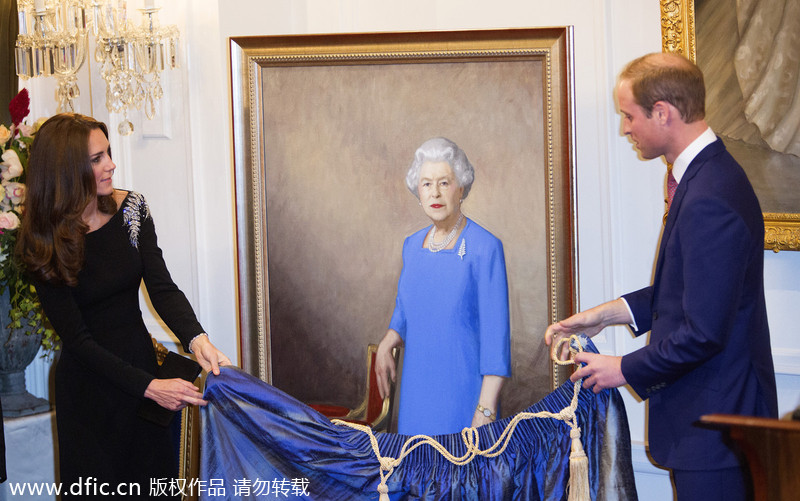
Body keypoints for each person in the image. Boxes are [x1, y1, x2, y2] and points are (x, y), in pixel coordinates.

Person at [544, 53, 778, 500]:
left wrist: (621, 369)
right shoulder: (707, 177)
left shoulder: (710, 194)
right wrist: (607, 315)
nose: (625, 129)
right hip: (711, 429)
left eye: (629, 116)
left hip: (717, 435)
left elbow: (704, 332)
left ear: (663, 113)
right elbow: (689, 290)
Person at [16, 113, 230, 498]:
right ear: (68, 170)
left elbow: (162, 288)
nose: (111, 164)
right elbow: (78, 341)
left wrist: (198, 340)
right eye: (97, 158)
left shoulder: (132, 209)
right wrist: (149, 387)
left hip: (144, 372)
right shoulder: (42, 241)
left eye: (108, 153)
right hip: (90, 394)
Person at [375, 137, 511, 436]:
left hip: (465, 399)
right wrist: (388, 341)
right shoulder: (412, 246)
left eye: (444, 183)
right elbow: (405, 308)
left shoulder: (485, 248)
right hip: (416, 395)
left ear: (460, 188)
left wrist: (485, 411)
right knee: (416, 476)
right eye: (426, 184)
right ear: (417, 191)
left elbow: (495, 342)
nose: (435, 193)